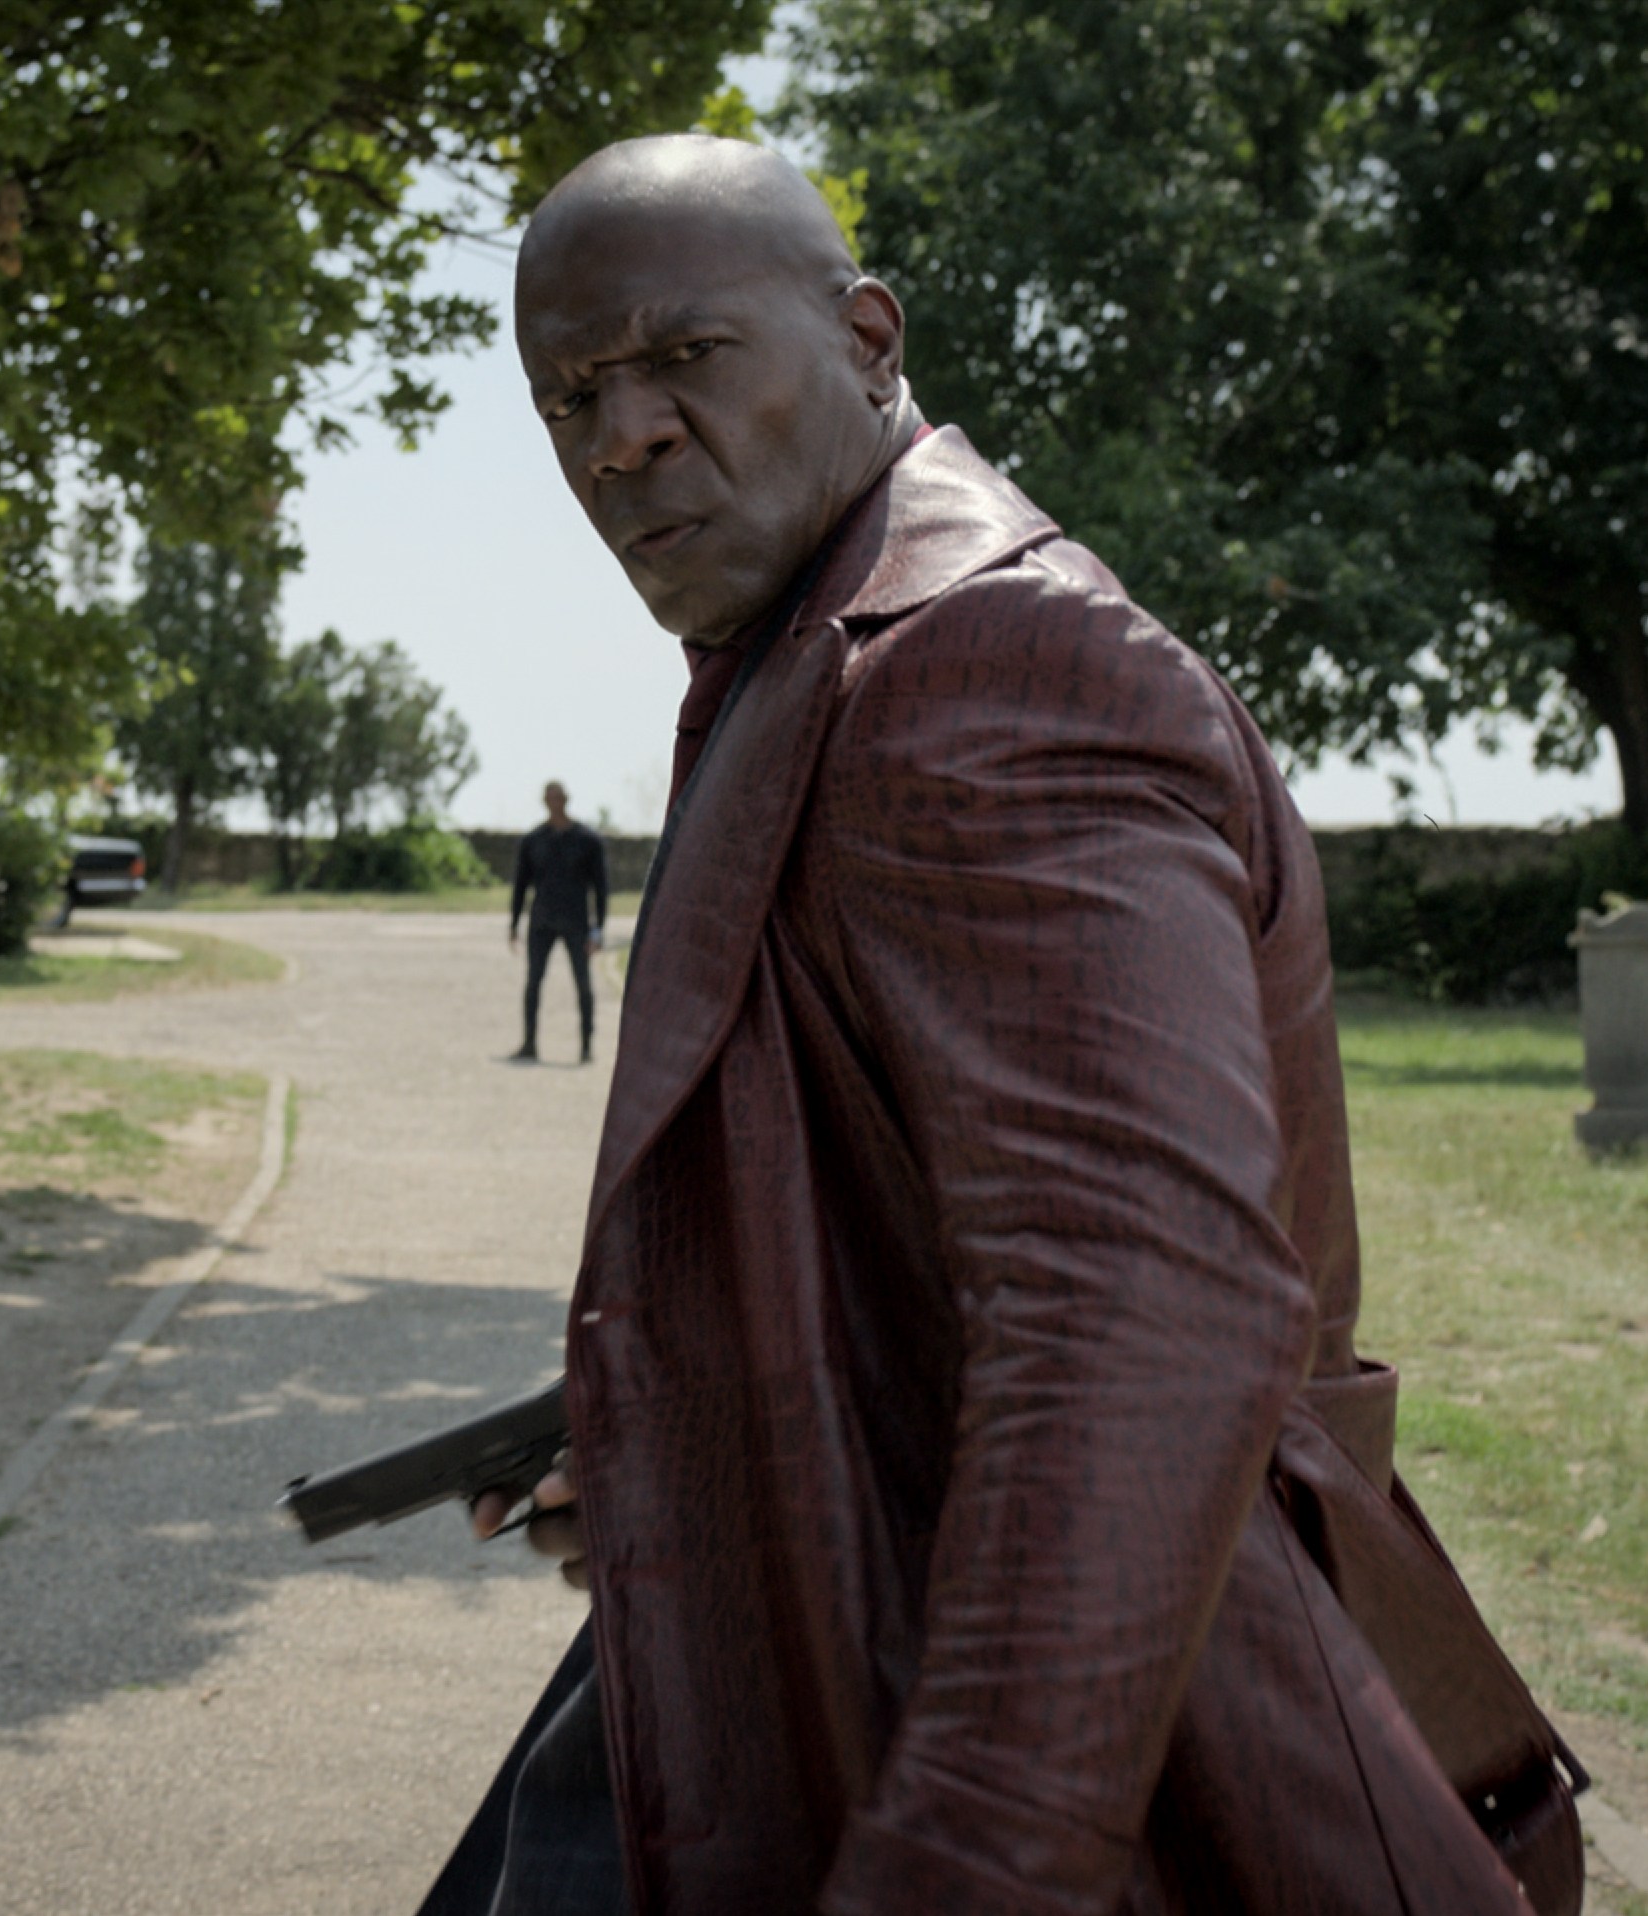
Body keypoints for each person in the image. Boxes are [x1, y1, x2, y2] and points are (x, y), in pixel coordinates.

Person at [424, 135, 1580, 1916]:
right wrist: (677, 1435)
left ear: (869, 338)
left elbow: (1140, 1317)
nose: (620, 434)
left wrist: (966, 1870)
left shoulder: (984, 668)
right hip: (817, 1663)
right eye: (567, 394)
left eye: (684, 357)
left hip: (1078, 1767)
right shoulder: (819, 633)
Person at [507, 780, 610, 1063]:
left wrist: (599, 928)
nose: (554, 802)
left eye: (558, 797)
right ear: (544, 801)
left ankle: (586, 1045)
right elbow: (520, 886)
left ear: (566, 799)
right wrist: (514, 924)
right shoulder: (533, 841)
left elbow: (601, 888)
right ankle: (529, 1043)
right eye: (550, 797)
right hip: (541, 921)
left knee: (583, 983)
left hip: (577, 922)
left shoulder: (588, 841)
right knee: (533, 982)